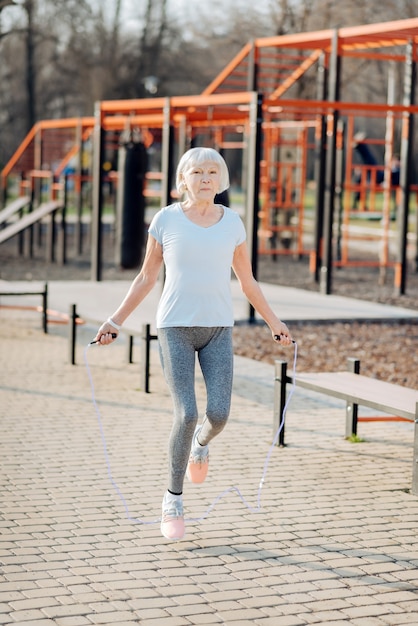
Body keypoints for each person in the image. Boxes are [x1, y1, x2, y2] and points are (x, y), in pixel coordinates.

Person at [93, 147, 293, 541]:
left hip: (218, 329)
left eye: (213, 172)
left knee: (217, 415)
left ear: (222, 181)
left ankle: (201, 446)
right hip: (175, 330)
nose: (205, 178)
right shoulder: (166, 220)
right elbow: (146, 278)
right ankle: (172, 500)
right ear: (183, 179)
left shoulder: (232, 223)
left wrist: (275, 322)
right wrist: (116, 320)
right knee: (186, 413)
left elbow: (247, 281)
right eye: (197, 171)